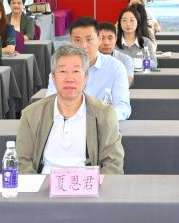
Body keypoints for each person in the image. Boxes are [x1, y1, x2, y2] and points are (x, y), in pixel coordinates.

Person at [18, 44, 125, 174]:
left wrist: (97, 185)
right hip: (44, 182)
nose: (69, 79)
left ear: (86, 77)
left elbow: (113, 163)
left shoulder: (105, 114)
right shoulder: (31, 114)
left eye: (76, 71)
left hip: (88, 183)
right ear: (53, 77)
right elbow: (23, 162)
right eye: (63, 71)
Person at [44, 17, 131, 121]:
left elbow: (123, 108)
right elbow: (50, 102)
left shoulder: (115, 67)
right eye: (77, 40)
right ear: (70, 41)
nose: (83, 46)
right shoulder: (60, 68)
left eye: (89, 40)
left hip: (101, 125)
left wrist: (98, 120)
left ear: (99, 40)